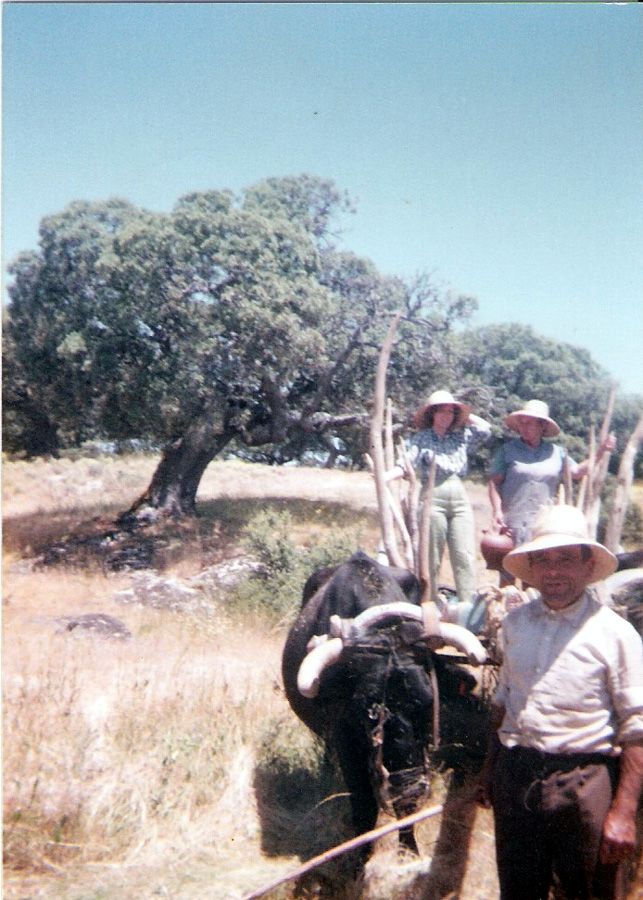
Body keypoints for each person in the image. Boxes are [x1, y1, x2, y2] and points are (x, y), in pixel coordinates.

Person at [477, 504, 643, 900]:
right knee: (519, 891)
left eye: (566, 559)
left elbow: (637, 727)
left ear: (587, 565)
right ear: (531, 568)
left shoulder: (615, 635)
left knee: (591, 892)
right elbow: (504, 700)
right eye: (543, 560)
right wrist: (488, 772)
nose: (553, 571)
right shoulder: (515, 624)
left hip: (585, 784)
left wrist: (622, 812)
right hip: (517, 777)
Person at [487, 399, 615, 585]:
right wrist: (497, 511)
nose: (525, 426)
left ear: (542, 426)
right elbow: (493, 482)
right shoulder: (507, 451)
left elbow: (577, 472)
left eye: (530, 422)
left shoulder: (556, 452)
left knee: (536, 573)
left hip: (542, 523)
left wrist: (601, 452)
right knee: (508, 574)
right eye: (522, 422)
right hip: (512, 521)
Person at [387, 389, 491, 614]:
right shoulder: (422, 438)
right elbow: (405, 464)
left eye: (451, 412)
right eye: (441, 412)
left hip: (459, 496)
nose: (447, 416)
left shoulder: (460, 437)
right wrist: (385, 476)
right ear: (432, 414)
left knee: (464, 554)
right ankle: (429, 606)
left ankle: (467, 610)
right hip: (433, 495)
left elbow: (486, 430)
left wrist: (465, 414)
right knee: (431, 557)